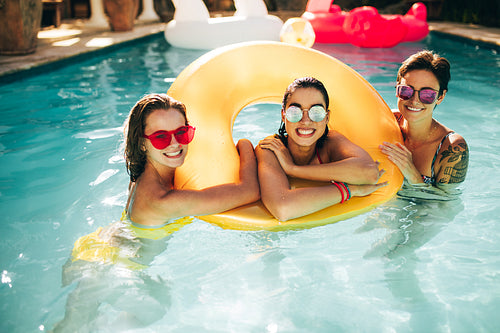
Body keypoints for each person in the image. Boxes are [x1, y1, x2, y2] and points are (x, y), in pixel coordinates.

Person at [256, 77, 387, 221]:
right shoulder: (270, 148)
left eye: (316, 112)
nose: (305, 121)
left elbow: (370, 173)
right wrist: (351, 190)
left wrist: (293, 169)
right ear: (283, 115)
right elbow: (282, 209)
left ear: (327, 117)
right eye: (295, 112)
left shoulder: (331, 141)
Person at [124, 93, 260, 226]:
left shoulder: (141, 173)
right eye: (161, 137)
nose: (175, 143)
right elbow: (250, 191)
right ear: (141, 143)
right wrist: (245, 144)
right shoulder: (163, 201)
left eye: (181, 132)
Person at [379, 50, 468, 199]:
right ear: (397, 89)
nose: (414, 100)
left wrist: (412, 174)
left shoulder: (452, 147)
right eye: (406, 90)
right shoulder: (387, 121)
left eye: (427, 94)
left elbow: (446, 204)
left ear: (440, 97)